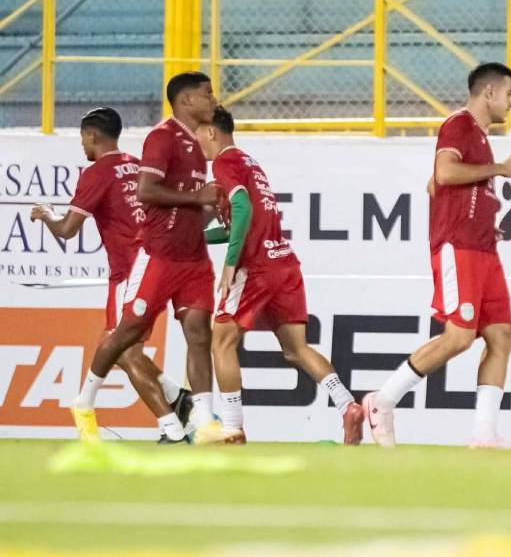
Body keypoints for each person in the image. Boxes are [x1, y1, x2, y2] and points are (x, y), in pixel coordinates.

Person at [363, 63, 511, 448]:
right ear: (489, 92)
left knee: (501, 335)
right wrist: (500, 169)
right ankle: (382, 401)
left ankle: (485, 434)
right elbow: (445, 174)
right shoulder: (459, 124)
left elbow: (433, 186)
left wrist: (482, 220)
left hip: (482, 247)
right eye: (509, 94)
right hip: (460, 247)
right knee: (459, 337)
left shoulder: (480, 137)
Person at [197, 107, 364, 445]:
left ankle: (232, 428)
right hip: (283, 263)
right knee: (296, 349)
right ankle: (347, 405)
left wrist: (230, 263)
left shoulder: (224, 162)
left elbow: (242, 208)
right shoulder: (250, 163)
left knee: (221, 342)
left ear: (211, 131)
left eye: (197, 132)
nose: (195, 140)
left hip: (256, 268)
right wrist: (196, 238)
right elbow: (245, 221)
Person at [71, 72, 222, 444]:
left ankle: (200, 423)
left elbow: (68, 228)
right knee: (124, 342)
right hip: (153, 258)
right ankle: (86, 403)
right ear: (186, 100)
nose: (215, 100)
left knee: (197, 335)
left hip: (183, 258)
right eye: (208, 94)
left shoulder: (194, 146)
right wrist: (199, 199)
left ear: (92, 136)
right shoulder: (157, 141)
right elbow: (148, 192)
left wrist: (213, 207)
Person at [32, 107, 191, 443]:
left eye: (82, 138)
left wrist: (46, 214)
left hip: (130, 272)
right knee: (123, 349)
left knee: (123, 352)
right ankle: (177, 397)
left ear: (92, 135)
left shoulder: (98, 172)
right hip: (160, 268)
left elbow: (68, 229)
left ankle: (173, 429)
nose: (82, 144)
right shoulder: (138, 166)